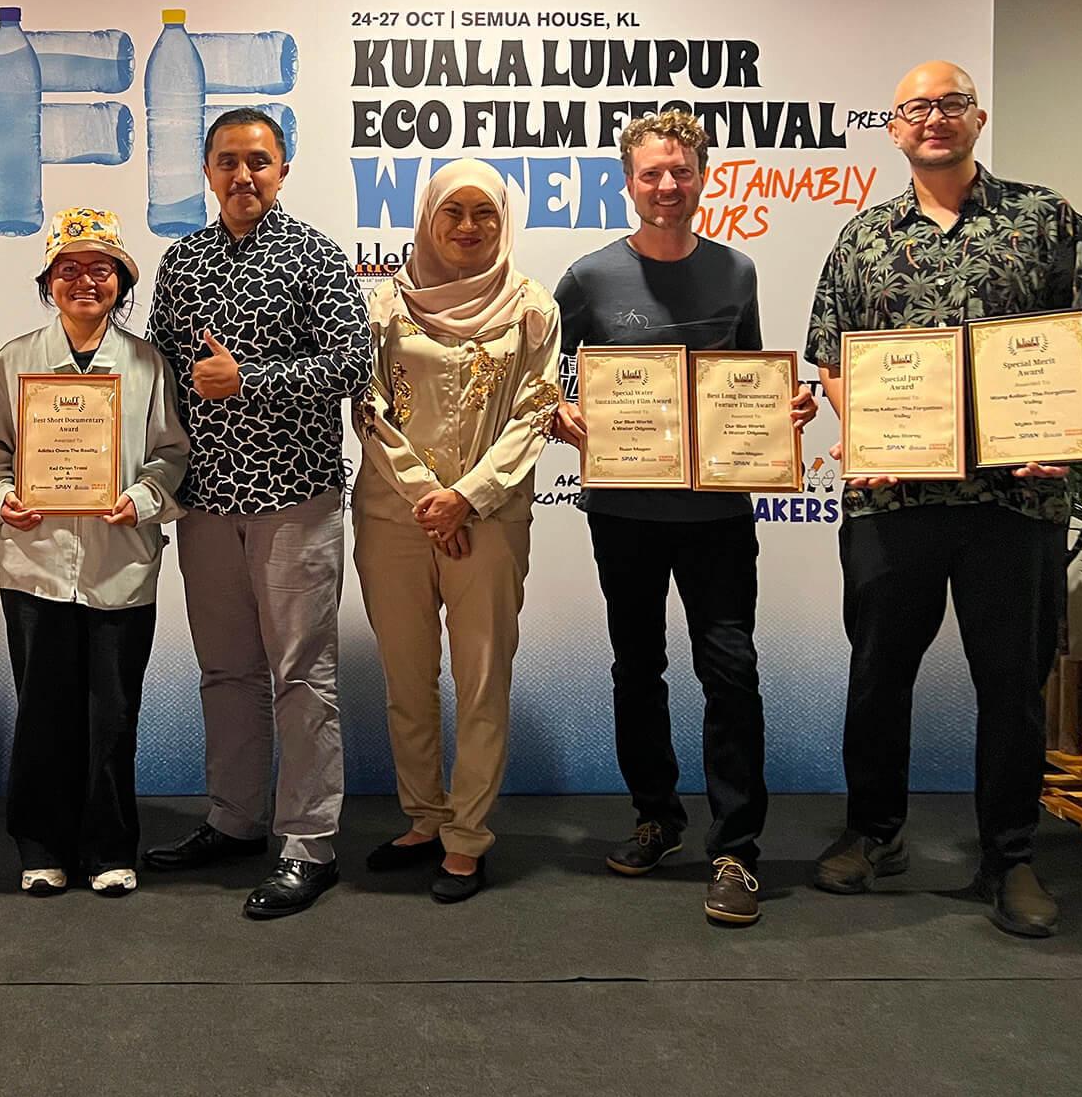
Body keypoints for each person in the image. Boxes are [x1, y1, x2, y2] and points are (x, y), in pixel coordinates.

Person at [805, 61, 1082, 938]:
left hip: (1015, 503)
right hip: (893, 501)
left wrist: (1062, 435)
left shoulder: (1045, 219)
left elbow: (1081, 345)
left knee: (1011, 684)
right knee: (878, 672)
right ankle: (874, 833)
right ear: (893, 129)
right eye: (915, 108)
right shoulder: (861, 238)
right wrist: (870, 438)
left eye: (950, 104)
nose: (934, 119)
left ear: (978, 119)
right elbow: (832, 359)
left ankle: (1010, 857)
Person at [550, 111, 816, 928]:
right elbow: (553, 384)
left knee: (730, 669)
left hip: (717, 514)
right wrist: (561, 414)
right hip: (623, 509)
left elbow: (749, 380)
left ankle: (736, 848)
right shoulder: (586, 279)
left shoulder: (737, 272)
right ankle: (657, 817)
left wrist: (785, 411)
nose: (668, 186)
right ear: (627, 183)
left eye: (682, 172)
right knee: (637, 664)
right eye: (651, 173)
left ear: (704, 177)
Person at [139, 108, 370, 919]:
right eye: (229, 161)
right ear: (207, 171)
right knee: (226, 672)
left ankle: (308, 844)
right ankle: (235, 819)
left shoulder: (316, 257)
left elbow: (352, 363)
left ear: (283, 169)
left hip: (294, 500)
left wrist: (255, 380)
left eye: (259, 162)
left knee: (303, 676)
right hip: (205, 502)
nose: (244, 176)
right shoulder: (184, 260)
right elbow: (158, 369)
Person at [0, 207, 189, 897]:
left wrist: (142, 501)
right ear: (48, 282)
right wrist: (4, 500)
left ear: (121, 282)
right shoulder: (16, 362)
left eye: (101, 270)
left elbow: (171, 456)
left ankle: (110, 846)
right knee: (44, 713)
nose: (85, 282)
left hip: (121, 566)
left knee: (112, 716)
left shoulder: (149, 365)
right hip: (35, 566)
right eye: (69, 270)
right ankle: (41, 847)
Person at [352, 160, 560, 904]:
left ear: (505, 224)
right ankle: (423, 818)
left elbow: (537, 409)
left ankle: (467, 838)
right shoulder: (384, 305)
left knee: (480, 684)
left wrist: (467, 498)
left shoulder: (533, 306)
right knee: (408, 681)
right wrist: (425, 497)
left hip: (492, 520)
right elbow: (367, 407)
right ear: (427, 219)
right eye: (453, 213)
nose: (468, 228)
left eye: (486, 215)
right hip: (393, 519)